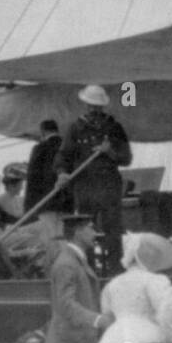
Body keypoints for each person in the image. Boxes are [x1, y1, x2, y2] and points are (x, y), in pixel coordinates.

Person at [56, 85, 133, 277]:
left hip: (109, 186)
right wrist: (62, 173)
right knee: (84, 229)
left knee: (112, 230)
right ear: (85, 105)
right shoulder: (76, 128)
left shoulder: (114, 128)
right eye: (91, 106)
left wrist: (110, 152)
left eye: (97, 106)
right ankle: (88, 271)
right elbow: (63, 156)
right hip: (85, 186)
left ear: (102, 107)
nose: (93, 110)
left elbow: (126, 158)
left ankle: (115, 272)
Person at [42, 213, 114, 343]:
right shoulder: (67, 263)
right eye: (90, 228)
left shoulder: (73, 260)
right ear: (78, 232)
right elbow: (65, 305)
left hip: (75, 342)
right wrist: (97, 319)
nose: (95, 233)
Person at [96, 233, 172, 343]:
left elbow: (107, 315)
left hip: (115, 336)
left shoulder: (111, 284)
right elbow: (165, 313)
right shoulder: (154, 280)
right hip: (145, 335)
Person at [25, 120, 64, 220]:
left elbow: (33, 176)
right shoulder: (66, 145)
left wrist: (29, 206)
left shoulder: (40, 148)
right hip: (67, 201)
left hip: (45, 200)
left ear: (43, 131)